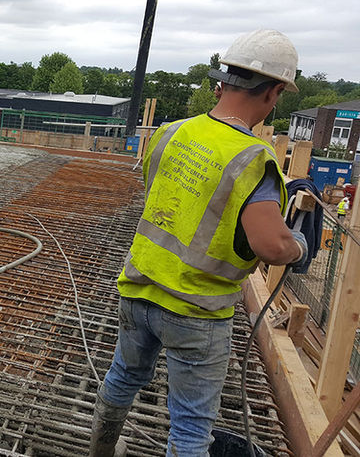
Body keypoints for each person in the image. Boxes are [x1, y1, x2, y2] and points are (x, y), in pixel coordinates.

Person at [89, 29, 308, 457]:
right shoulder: (251, 158)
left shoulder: (172, 132)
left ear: (222, 81)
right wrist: (297, 245)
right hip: (197, 309)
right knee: (190, 428)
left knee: (121, 378)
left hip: (139, 287)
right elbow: (271, 245)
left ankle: (99, 451)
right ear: (274, 91)